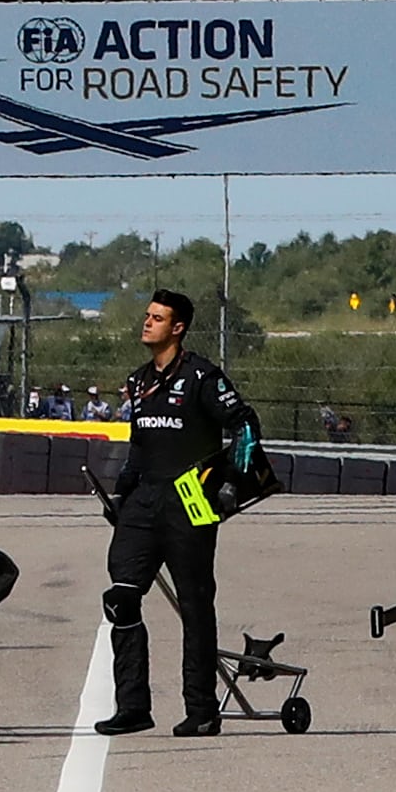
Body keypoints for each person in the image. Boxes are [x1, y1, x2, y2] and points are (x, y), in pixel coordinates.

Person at [104, 290, 252, 736]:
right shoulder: (138, 381)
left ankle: (202, 710)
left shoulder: (203, 376)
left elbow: (244, 424)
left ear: (178, 327)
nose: (146, 323)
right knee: (121, 597)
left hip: (191, 497)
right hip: (144, 500)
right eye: (147, 315)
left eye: (157, 318)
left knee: (194, 605)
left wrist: (228, 486)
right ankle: (132, 707)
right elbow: (139, 448)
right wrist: (121, 494)